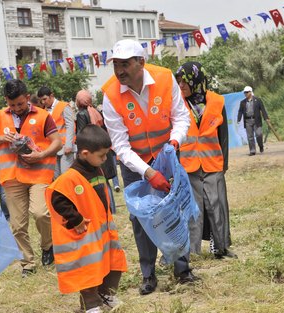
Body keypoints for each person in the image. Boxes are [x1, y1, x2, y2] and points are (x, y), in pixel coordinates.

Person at [102, 39, 196, 296]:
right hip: (134, 163)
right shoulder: (110, 94)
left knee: (172, 209)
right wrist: (148, 172)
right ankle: (148, 274)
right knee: (140, 216)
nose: (119, 71)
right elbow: (120, 146)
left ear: (141, 63)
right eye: (116, 65)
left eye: (125, 64)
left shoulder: (165, 78)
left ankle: (182, 268)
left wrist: (174, 141)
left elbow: (181, 116)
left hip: (166, 155)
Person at [45, 124, 127, 313]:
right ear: (84, 153)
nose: (105, 159)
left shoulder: (95, 168)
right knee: (88, 273)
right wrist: (77, 219)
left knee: (113, 265)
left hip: (104, 233)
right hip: (86, 238)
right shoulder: (70, 178)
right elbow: (58, 200)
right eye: (101, 156)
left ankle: (106, 295)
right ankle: (91, 306)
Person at [0, 79, 62, 276]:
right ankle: (27, 263)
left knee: (41, 213)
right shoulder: (0, 117)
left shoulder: (43, 116)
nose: (16, 108)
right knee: (17, 225)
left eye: (20, 104)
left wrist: (42, 155)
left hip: (39, 174)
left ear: (27, 98)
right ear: (6, 101)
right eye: (11, 105)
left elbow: (57, 142)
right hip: (12, 177)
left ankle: (48, 245)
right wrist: (3, 137)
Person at [175, 62, 237, 259]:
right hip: (188, 165)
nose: (180, 86)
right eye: (178, 82)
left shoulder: (217, 101)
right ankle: (190, 252)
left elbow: (223, 136)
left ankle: (221, 248)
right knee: (190, 209)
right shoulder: (177, 103)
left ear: (196, 81)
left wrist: (224, 163)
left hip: (213, 164)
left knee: (217, 206)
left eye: (184, 82)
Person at [75, 89, 118, 213]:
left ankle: (105, 209)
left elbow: (82, 135)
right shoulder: (97, 111)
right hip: (104, 151)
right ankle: (112, 209)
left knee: (98, 183)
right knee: (105, 182)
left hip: (93, 153)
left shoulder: (82, 114)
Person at [37, 86, 76, 177]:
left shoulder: (63, 106)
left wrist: (69, 145)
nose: (43, 102)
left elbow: (70, 125)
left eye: (44, 99)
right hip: (52, 149)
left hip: (65, 147)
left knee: (65, 176)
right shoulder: (44, 111)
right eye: (41, 100)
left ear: (51, 96)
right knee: (55, 177)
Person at [237, 86, 269, 156]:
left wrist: (266, 118)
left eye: (247, 92)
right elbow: (240, 111)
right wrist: (238, 119)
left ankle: (261, 146)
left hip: (256, 120)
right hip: (247, 121)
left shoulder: (258, 100)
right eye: (244, 92)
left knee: (259, 134)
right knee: (250, 136)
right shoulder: (242, 102)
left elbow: (262, 109)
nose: (245, 93)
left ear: (250, 92)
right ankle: (252, 150)